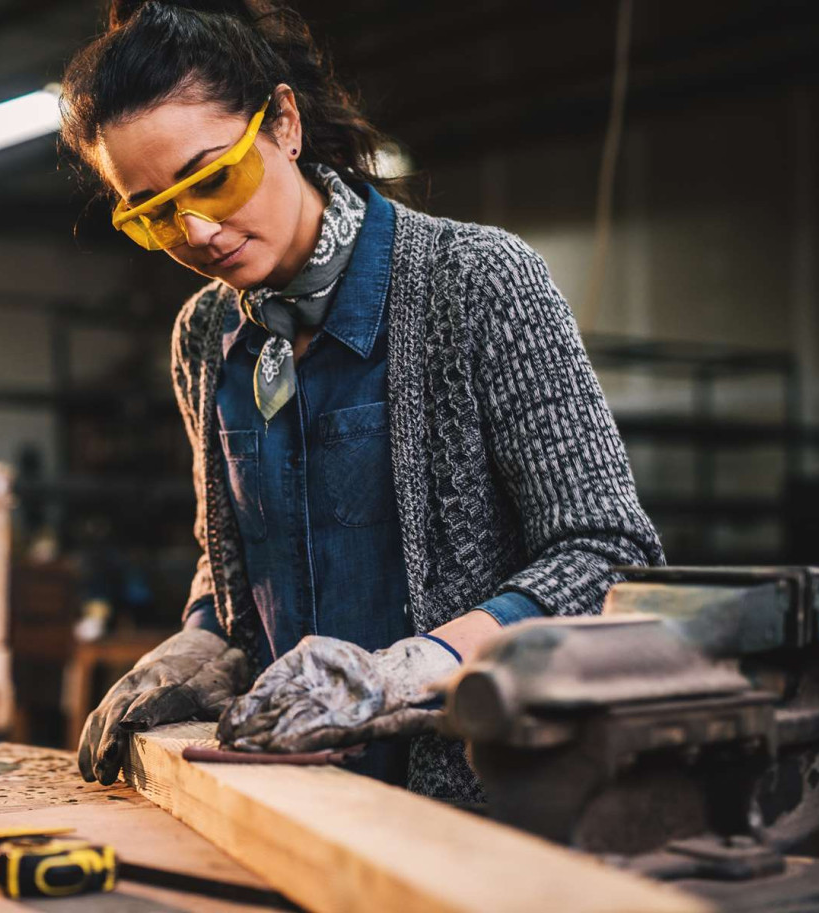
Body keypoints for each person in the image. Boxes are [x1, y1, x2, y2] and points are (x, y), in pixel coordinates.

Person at [59, 0, 663, 802]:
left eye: (211, 177)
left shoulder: (476, 282)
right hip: (295, 802)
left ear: (283, 124)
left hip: (486, 801)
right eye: (155, 213)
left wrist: (420, 667)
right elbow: (232, 566)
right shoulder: (205, 335)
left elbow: (609, 554)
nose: (197, 230)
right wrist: (202, 643)